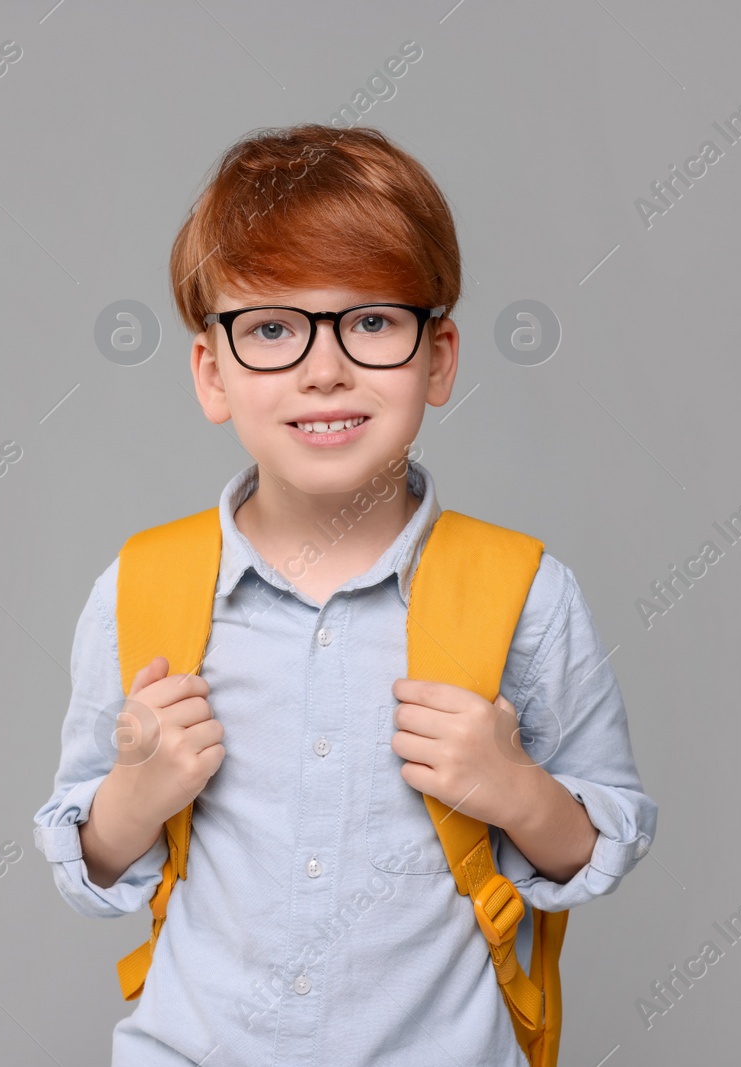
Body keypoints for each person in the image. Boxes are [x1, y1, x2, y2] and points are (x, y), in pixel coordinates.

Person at [33, 122, 656, 1065]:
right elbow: (86, 854)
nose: (324, 367)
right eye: (273, 328)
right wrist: (134, 796)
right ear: (213, 371)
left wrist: (518, 791)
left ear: (437, 358)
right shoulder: (142, 588)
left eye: (370, 321)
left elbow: (600, 838)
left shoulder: (523, 592)